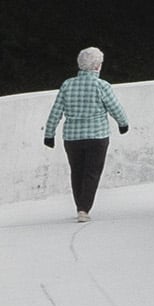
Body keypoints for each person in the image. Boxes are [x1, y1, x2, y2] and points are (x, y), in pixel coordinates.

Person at [43, 47, 134, 222]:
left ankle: (80, 206)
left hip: (72, 138)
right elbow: (115, 107)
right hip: (97, 136)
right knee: (92, 172)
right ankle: (84, 209)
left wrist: (49, 133)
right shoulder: (101, 85)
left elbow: (56, 111)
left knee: (76, 171)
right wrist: (123, 123)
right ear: (97, 66)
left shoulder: (67, 85)